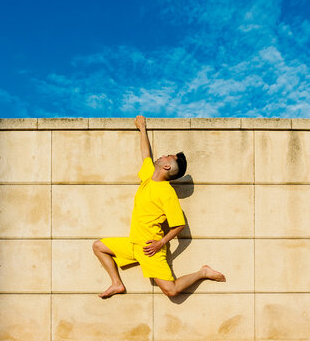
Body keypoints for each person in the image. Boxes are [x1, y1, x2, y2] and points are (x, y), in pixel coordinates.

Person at [92, 115, 226, 298]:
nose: (163, 155)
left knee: (171, 290)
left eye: (167, 157)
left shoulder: (167, 192)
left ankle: (203, 272)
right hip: (133, 244)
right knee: (99, 246)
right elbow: (146, 155)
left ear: (167, 167)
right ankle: (116, 283)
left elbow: (178, 224)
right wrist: (142, 129)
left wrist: (160, 243)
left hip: (150, 248)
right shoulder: (148, 177)